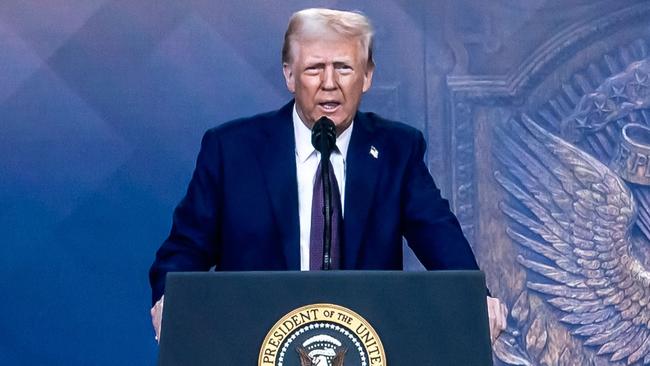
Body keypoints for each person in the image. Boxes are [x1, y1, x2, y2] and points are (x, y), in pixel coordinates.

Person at [149, 7, 507, 344]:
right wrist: (170, 299)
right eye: (314, 68)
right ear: (289, 75)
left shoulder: (397, 150)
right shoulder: (232, 151)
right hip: (254, 344)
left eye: (344, 68)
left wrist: (475, 299)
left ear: (367, 76)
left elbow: (439, 238)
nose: (329, 83)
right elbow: (185, 249)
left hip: (364, 347)